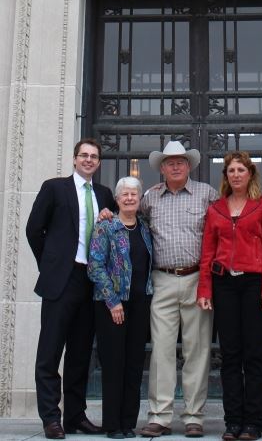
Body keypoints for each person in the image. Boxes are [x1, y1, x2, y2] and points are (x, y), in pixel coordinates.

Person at [26, 138, 115, 440]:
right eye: (84, 155)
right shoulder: (55, 188)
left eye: (94, 156)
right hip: (61, 280)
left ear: (99, 162)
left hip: (91, 282)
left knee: (80, 353)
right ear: (75, 159)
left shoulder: (104, 194)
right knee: (50, 352)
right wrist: (50, 264)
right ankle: (51, 417)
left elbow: (114, 232)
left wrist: (110, 216)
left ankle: (76, 416)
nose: (89, 160)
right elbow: (33, 229)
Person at [197, 152, 262, 441]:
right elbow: (207, 252)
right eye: (230, 170)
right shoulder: (216, 209)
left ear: (250, 174)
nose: (235, 175)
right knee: (230, 356)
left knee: (254, 355)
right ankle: (233, 422)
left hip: (254, 285)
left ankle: (254, 422)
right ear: (226, 177)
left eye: (240, 170)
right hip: (224, 286)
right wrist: (205, 289)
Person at [140, 141, 218, 438]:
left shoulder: (206, 195)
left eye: (181, 161)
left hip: (198, 278)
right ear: (161, 168)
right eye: (170, 162)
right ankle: (159, 416)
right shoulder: (150, 198)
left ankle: (194, 417)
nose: (175, 166)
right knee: (161, 350)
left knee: (197, 350)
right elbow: (132, 219)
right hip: (162, 280)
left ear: (189, 166)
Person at [88, 176, 153, 440]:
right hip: (111, 305)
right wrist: (113, 301)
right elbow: (95, 266)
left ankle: (128, 422)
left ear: (139, 200)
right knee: (114, 365)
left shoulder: (145, 228)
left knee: (135, 364)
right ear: (116, 200)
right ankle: (112, 424)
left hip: (140, 305)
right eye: (124, 194)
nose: (129, 198)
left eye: (133, 195)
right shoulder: (106, 227)